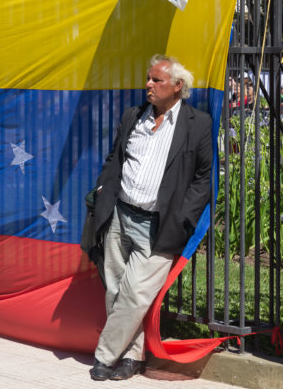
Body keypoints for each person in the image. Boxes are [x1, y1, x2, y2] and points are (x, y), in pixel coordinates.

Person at [84, 55, 213, 381]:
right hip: (120, 217)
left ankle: (104, 356)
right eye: (149, 78)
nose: (149, 85)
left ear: (177, 86)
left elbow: (203, 179)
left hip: (159, 226)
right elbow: (115, 159)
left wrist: (185, 218)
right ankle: (132, 357)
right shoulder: (133, 117)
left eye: (156, 80)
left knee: (134, 294)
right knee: (114, 290)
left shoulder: (197, 124)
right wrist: (102, 192)